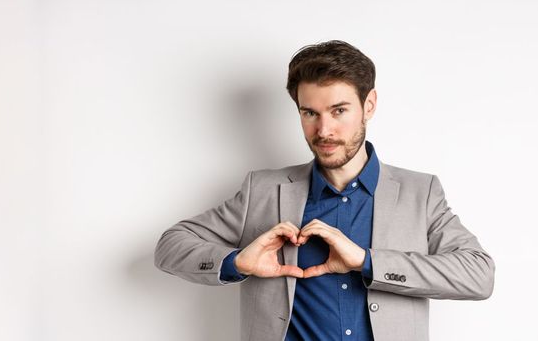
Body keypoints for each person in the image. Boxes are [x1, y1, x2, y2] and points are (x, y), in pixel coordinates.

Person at [154, 40, 495, 341]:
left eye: (339, 111)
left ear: (369, 105)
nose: (324, 130)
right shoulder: (263, 190)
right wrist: (237, 262)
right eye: (309, 113)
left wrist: (366, 261)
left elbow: (478, 275)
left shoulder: (420, 193)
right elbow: (171, 246)